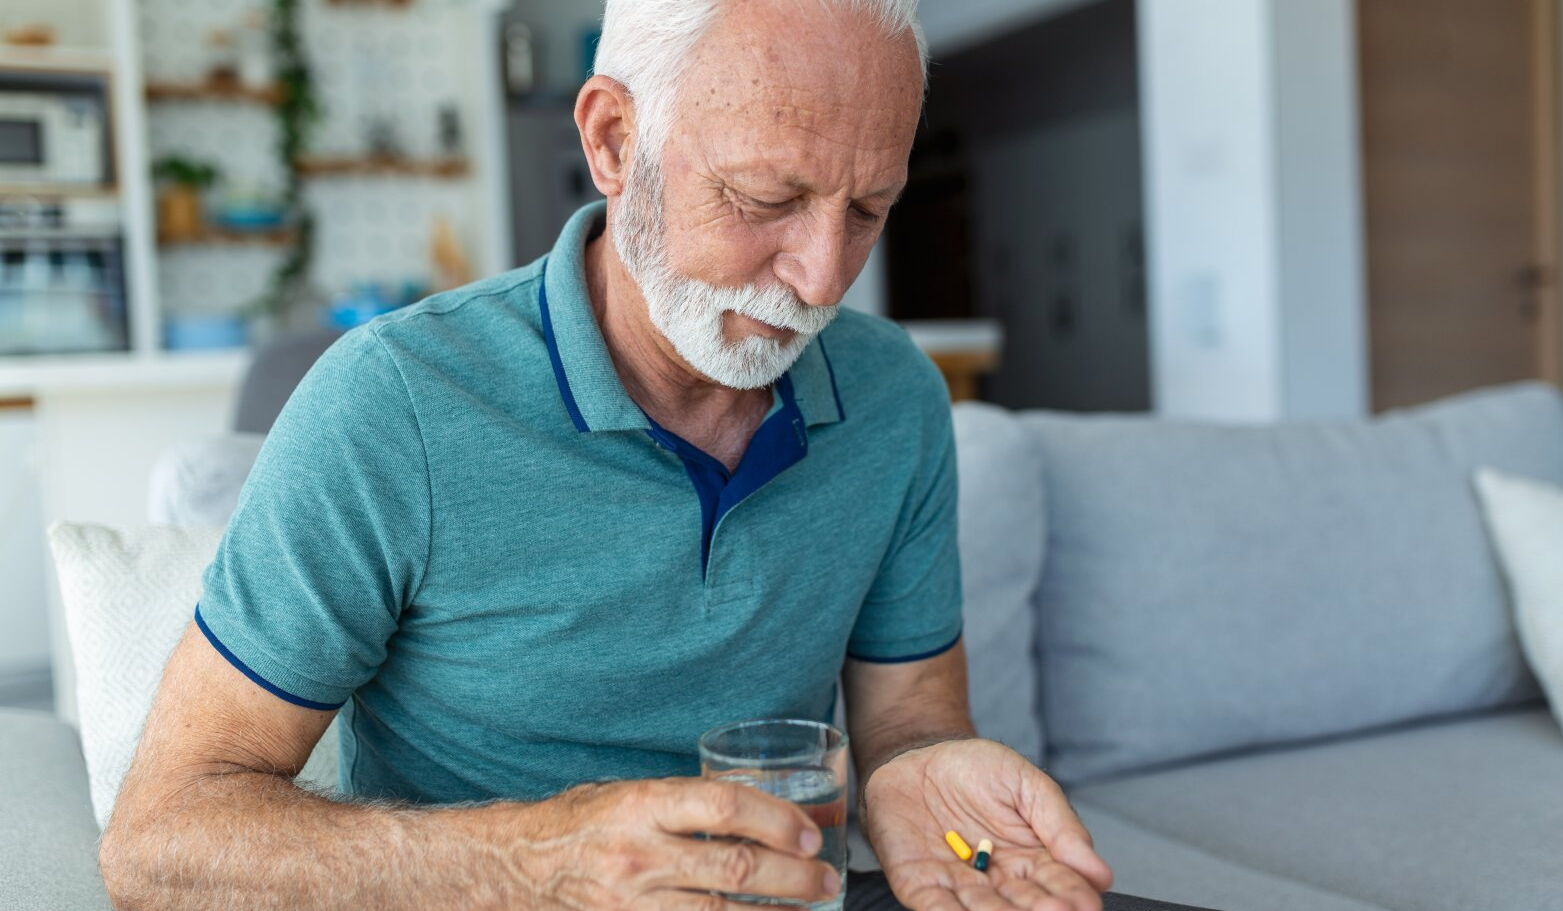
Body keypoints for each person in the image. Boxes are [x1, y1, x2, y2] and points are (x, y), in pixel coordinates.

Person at [100, 2, 1221, 909]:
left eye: (869, 208)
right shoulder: (392, 403)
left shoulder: (894, 403)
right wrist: (535, 866)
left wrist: (927, 775)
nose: (825, 278)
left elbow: (910, 721)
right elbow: (160, 838)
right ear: (612, 141)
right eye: (764, 197)